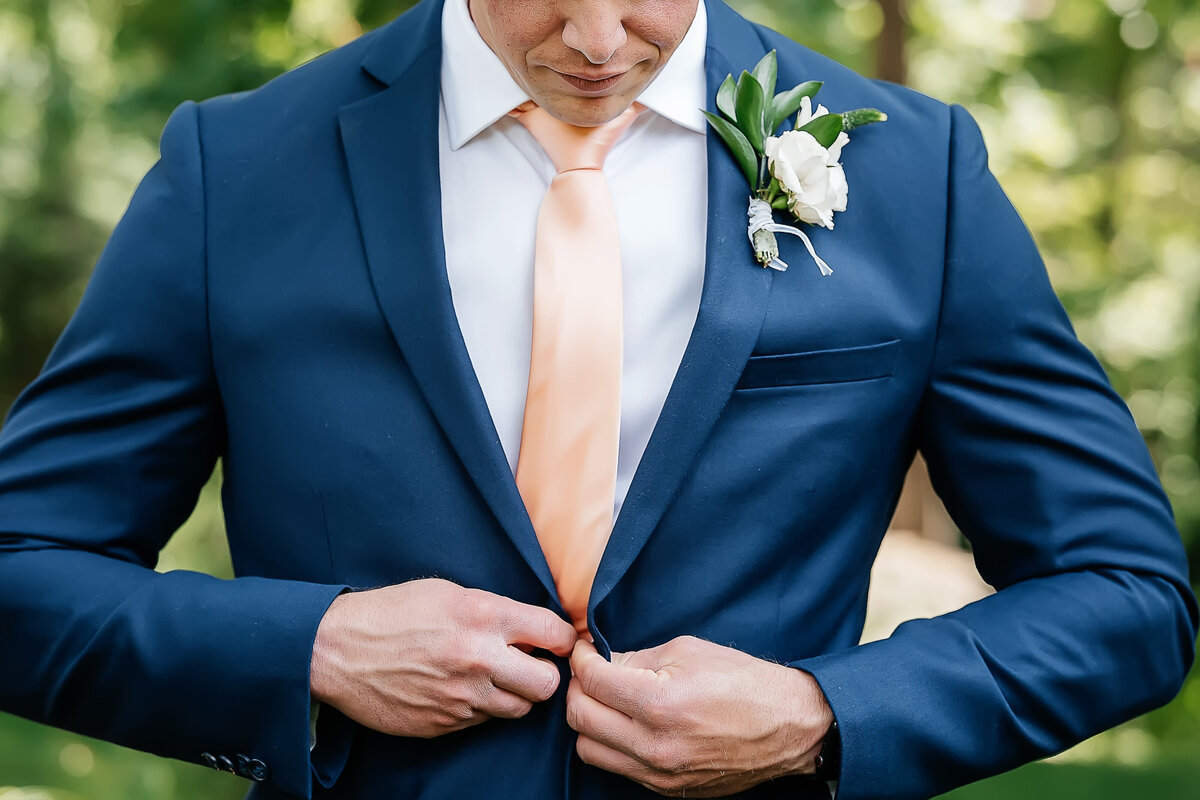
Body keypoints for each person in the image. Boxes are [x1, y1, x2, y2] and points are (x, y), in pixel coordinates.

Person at [0, 0, 1194, 798]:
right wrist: (306, 646)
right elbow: (21, 565)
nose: (595, 35)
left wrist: (826, 710)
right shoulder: (239, 166)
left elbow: (1128, 593)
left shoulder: (913, 172)